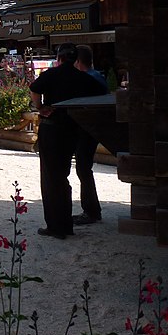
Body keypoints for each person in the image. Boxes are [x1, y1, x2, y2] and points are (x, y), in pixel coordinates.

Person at [29, 43, 107, 239]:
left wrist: (40, 107)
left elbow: (34, 90)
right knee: (64, 176)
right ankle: (67, 223)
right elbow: (101, 94)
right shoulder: (84, 79)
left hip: (53, 130)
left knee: (51, 179)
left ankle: (57, 226)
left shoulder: (51, 74)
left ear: (59, 58)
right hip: (74, 130)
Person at [72, 45, 108, 225]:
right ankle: (92, 209)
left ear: (77, 62)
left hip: (88, 129)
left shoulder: (86, 79)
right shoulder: (98, 76)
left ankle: (91, 211)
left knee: (83, 169)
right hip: (94, 128)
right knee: (83, 168)